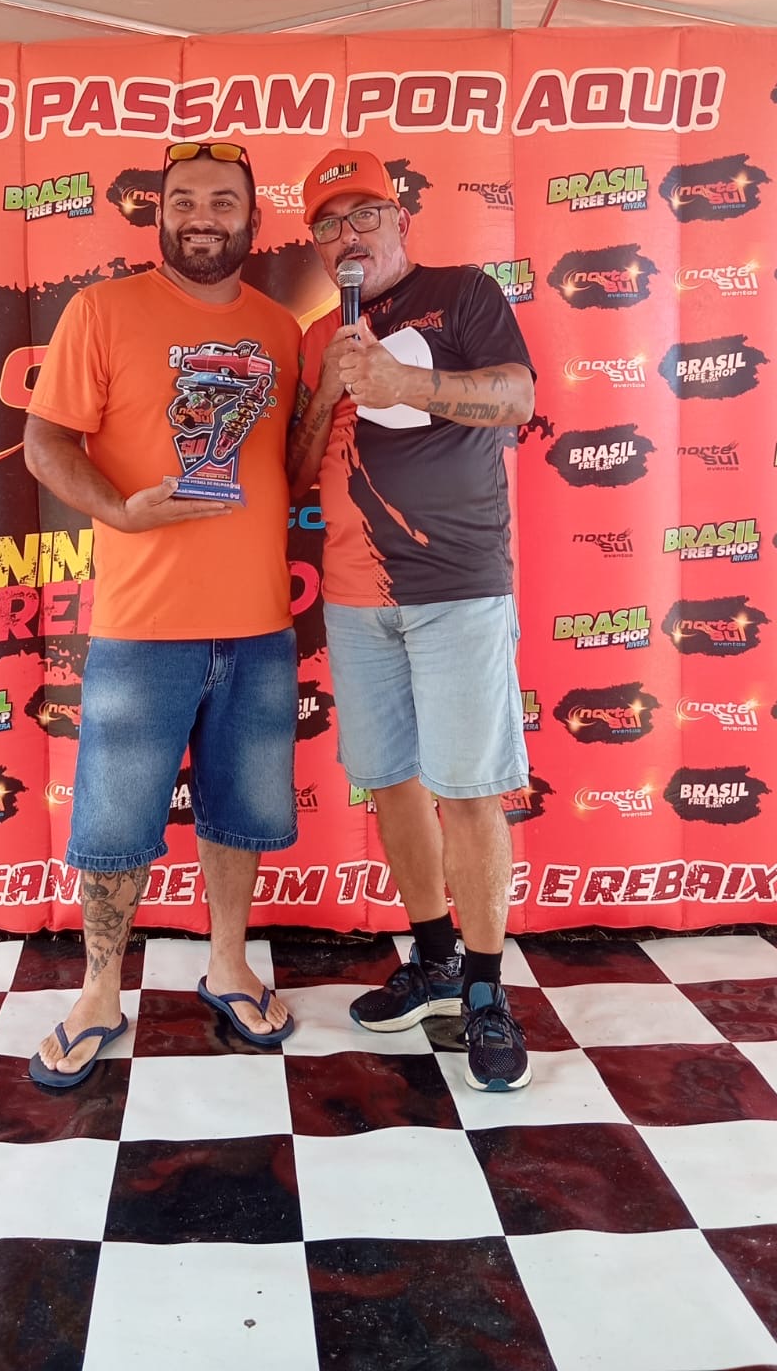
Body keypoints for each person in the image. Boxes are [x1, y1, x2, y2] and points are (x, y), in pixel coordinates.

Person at [23, 140, 302, 1088]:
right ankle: (100, 992)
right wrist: (120, 510)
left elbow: (288, 465)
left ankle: (229, 965)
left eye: (223, 200)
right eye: (183, 199)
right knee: (114, 823)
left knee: (242, 814)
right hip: (142, 622)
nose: (202, 216)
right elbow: (46, 443)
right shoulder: (102, 310)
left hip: (259, 622)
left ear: (252, 218)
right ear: (159, 214)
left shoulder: (281, 328)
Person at [289, 147, 535, 1091]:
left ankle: (486, 989)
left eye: (364, 215)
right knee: (391, 784)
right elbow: (298, 468)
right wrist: (329, 390)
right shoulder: (319, 334)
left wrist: (407, 385)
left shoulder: (464, 292)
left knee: (467, 791)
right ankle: (433, 959)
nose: (347, 235)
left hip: (460, 588)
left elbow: (517, 397)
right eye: (328, 223)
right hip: (356, 599)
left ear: (400, 221)